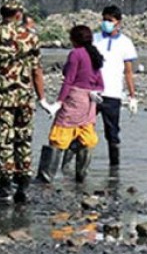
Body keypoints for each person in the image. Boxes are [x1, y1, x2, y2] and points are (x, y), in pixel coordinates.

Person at [0, 0, 55, 203]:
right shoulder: (31, 38)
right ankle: (23, 185)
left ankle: (5, 187)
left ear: (3, 14)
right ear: (19, 14)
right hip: (25, 99)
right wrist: (42, 98)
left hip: (1, 99)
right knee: (23, 140)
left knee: (4, 142)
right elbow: (37, 70)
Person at [36, 25, 104, 184]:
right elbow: (100, 83)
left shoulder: (76, 54)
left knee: (59, 135)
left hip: (74, 99)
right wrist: (95, 91)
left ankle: (46, 176)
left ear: (74, 40)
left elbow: (69, 81)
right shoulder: (94, 55)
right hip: (89, 102)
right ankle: (81, 176)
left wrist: (58, 102)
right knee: (86, 136)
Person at [92, 5, 139, 171]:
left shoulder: (126, 43)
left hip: (113, 94)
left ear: (118, 22)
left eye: (110, 20)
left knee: (112, 134)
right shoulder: (94, 39)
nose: (106, 23)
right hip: (92, 93)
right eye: (104, 20)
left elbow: (128, 72)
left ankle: (114, 171)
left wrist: (132, 96)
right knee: (83, 130)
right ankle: (75, 169)